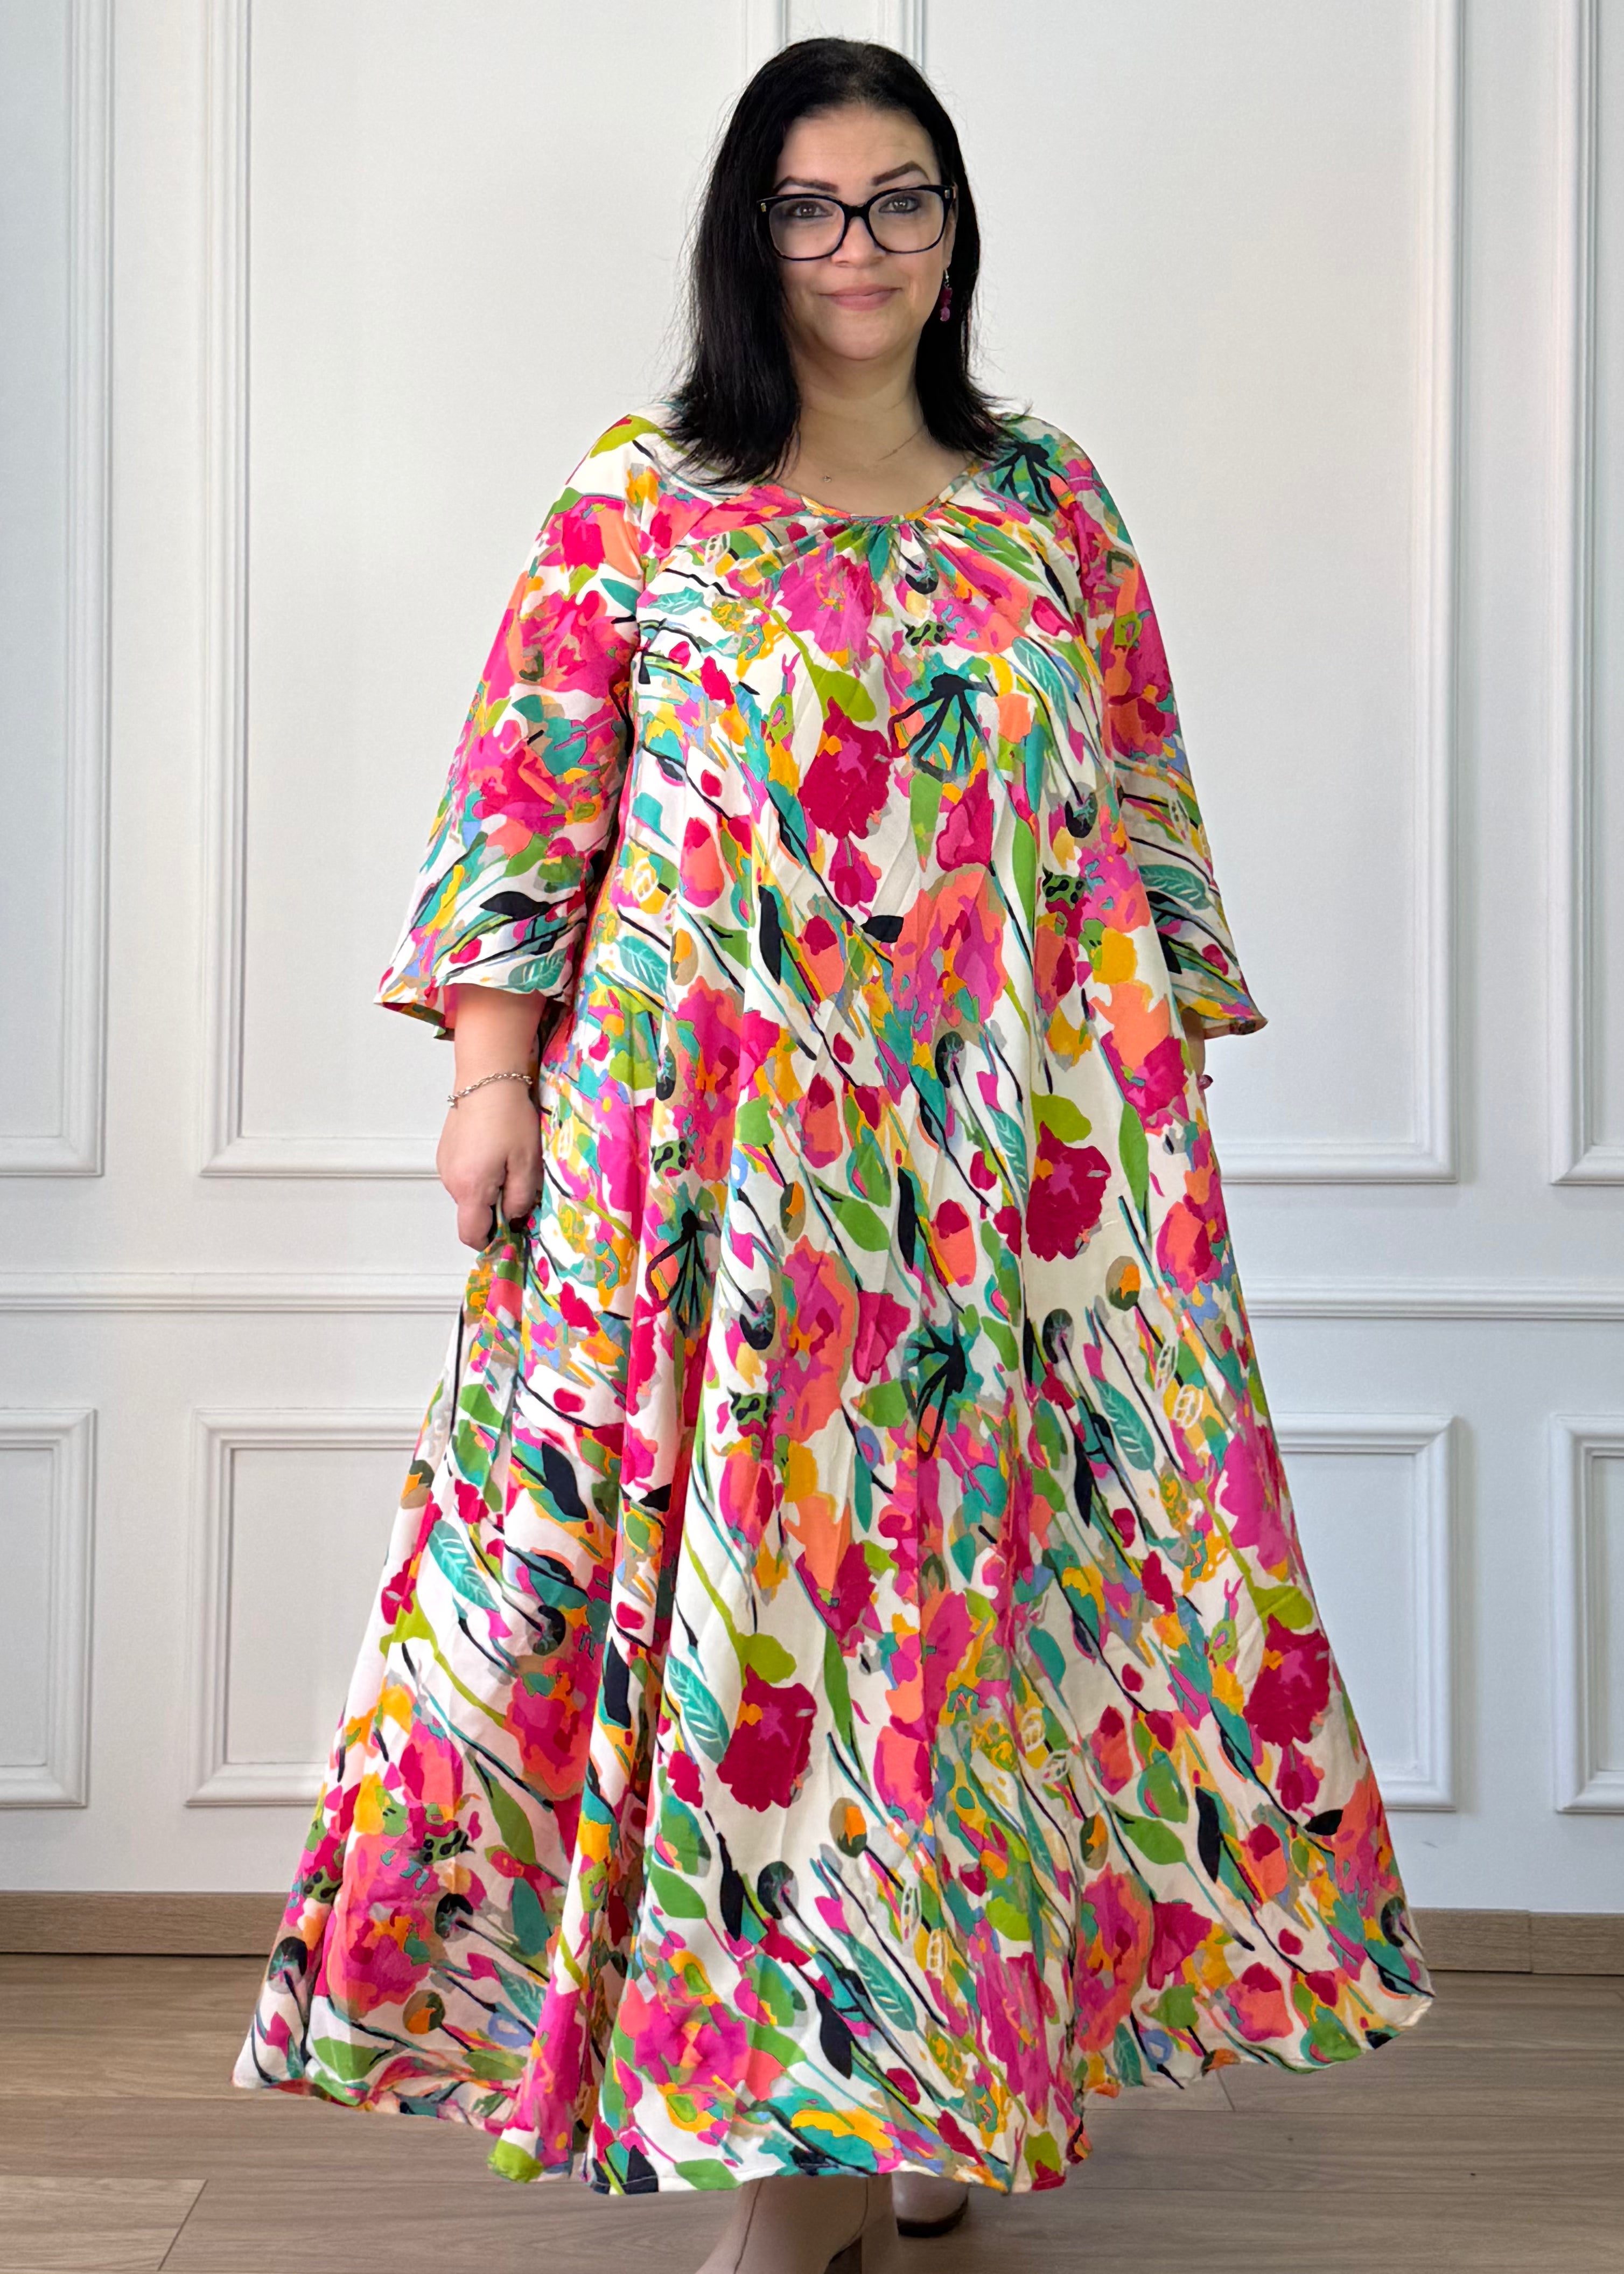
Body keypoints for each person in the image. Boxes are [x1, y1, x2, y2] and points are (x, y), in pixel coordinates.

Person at [235, 34, 1436, 2274]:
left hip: (1006, 1193)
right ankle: (782, 2179)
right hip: (705, 1179)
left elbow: (1141, 810)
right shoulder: (646, 492)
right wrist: (489, 1083)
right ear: (749, 236)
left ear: (952, 229)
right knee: (757, 1643)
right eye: (809, 207)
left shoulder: (1050, 498)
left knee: (975, 1644)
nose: (857, 246)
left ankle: (944, 2074)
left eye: (898, 200)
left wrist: (1158, 1124)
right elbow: (527, 795)